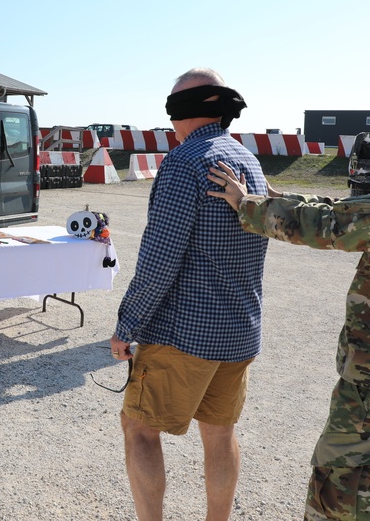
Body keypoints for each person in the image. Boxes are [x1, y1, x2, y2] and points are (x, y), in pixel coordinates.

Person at [208, 107, 370, 520]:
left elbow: (331, 225)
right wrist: (282, 198)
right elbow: (356, 209)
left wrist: (250, 206)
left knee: (344, 500)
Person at [110, 68, 269, 521]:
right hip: (239, 330)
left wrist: (127, 325)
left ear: (185, 111)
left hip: (186, 333)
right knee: (220, 435)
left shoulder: (184, 163)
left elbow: (160, 259)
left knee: (139, 428)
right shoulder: (249, 161)